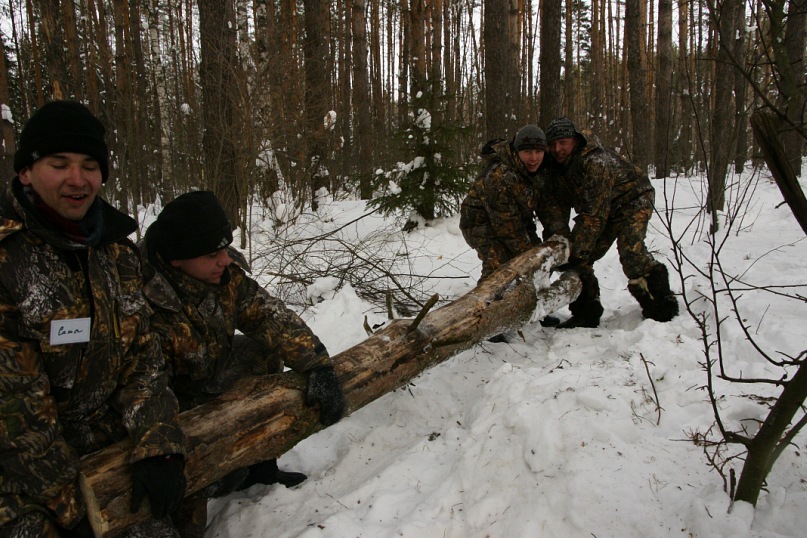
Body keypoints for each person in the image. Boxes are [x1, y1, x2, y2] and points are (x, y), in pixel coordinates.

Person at [0, 101, 187, 538]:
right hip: (20, 478)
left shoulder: (116, 252)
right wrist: (72, 510)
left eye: (89, 165)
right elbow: (15, 411)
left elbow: (143, 357)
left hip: (103, 448)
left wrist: (158, 445)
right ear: (26, 171)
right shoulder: (8, 259)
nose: (77, 179)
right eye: (58, 164)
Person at [141, 191, 346, 536]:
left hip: (209, 375)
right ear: (177, 259)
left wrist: (319, 366)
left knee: (261, 350)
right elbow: (142, 387)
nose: (225, 259)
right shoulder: (138, 293)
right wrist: (161, 451)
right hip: (167, 413)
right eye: (212, 254)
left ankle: (258, 467)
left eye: (224, 248)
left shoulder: (221, 273)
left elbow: (268, 316)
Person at [540, 117, 679, 328]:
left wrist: (577, 252)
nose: (558, 149)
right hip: (601, 209)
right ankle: (587, 313)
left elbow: (593, 216)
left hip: (633, 200)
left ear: (574, 141)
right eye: (553, 144)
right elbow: (555, 208)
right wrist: (561, 241)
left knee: (631, 253)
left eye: (563, 143)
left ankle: (662, 306)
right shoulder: (553, 167)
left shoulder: (595, 162)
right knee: (579, 259)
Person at [459, 124, 560, 331]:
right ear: (516, 151)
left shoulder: (542, 170)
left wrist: (556, 239)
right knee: (499, 265)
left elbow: (548, 208)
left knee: (540, 258)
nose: (533, 158)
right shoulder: (499, 175)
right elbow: (507, 228)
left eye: (538, 151)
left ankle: (536, 307)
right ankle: (485, 318)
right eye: (527, 152)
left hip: (517, 220)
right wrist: (527, 258)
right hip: (481, 225)